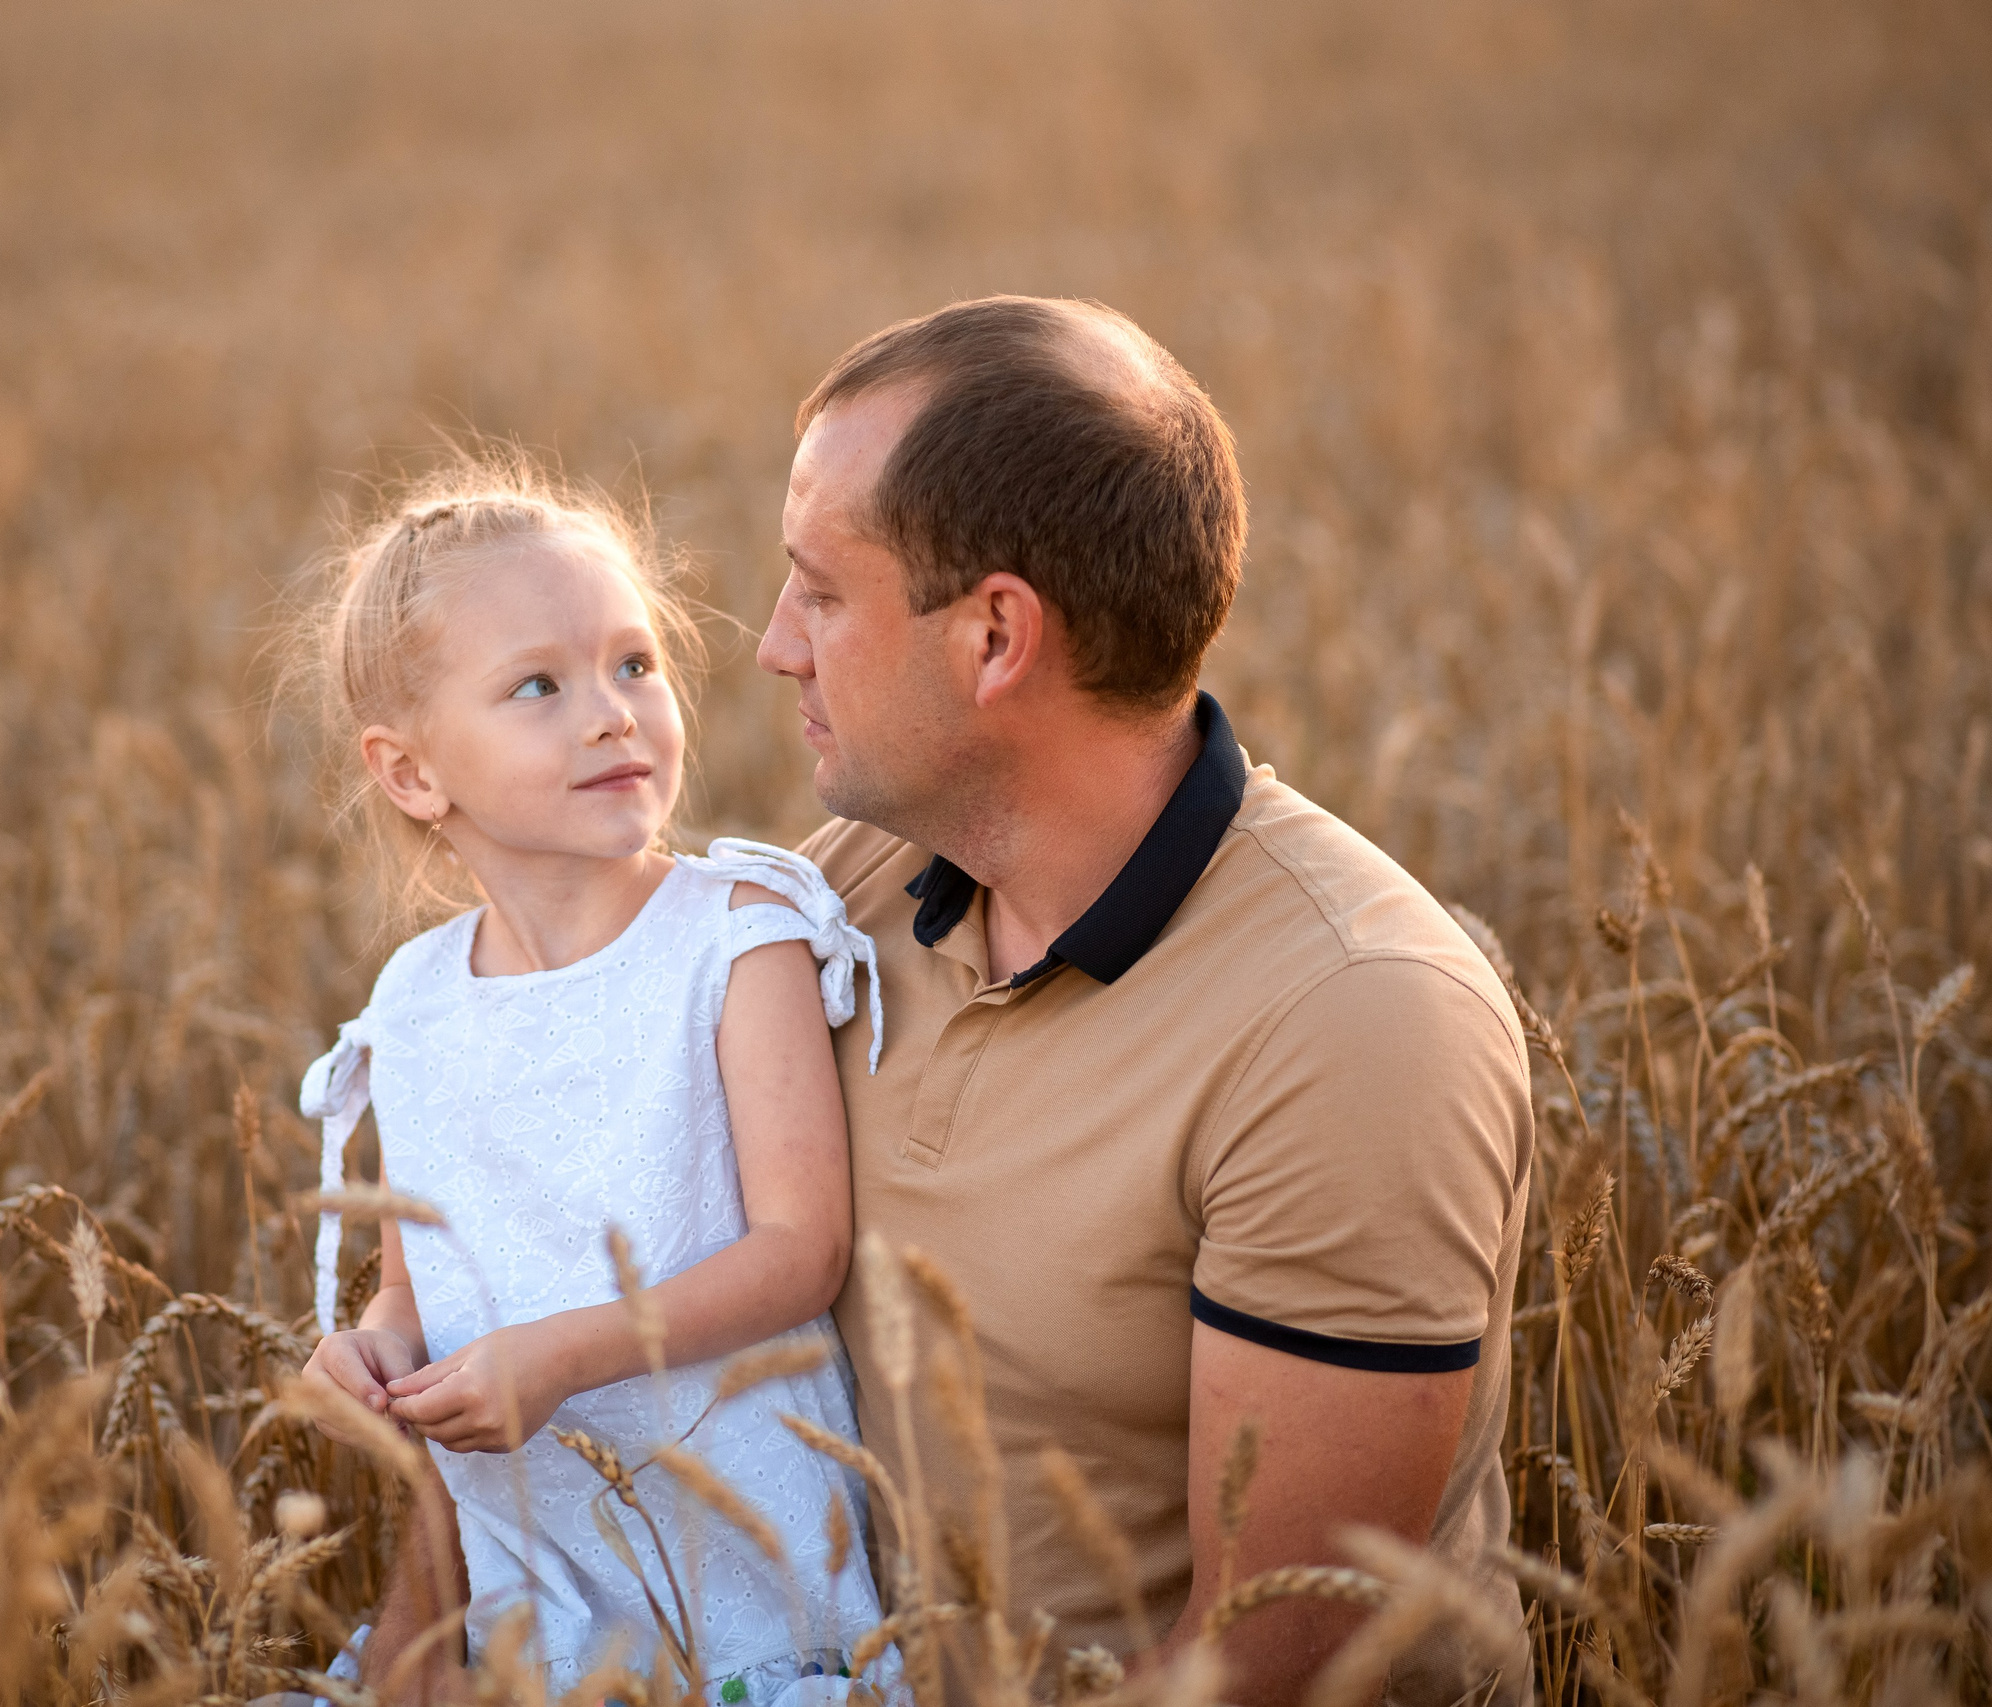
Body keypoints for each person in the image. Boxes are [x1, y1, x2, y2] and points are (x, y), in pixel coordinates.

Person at [759, 297, 1535, 1707]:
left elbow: (1270, 1658)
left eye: (819, 592)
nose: (775, 645)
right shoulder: (847, 888)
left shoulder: (1355, 1023)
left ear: (995, 636)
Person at [291, 459, 895, 1707]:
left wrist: (569, 1355)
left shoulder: (738, 934)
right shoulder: (415, 1000)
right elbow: (417, 1280)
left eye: (634, 663)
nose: (613, 713)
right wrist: (373, 1350)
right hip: (527, 1596)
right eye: (539, 686)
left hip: (736, 1583)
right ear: (411, 772)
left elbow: (801, 1250)